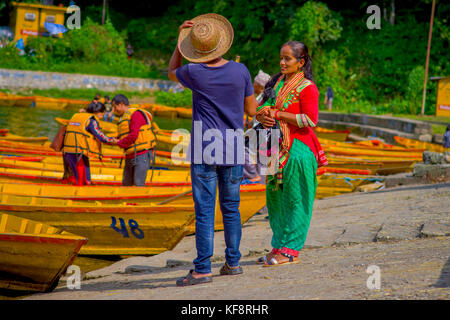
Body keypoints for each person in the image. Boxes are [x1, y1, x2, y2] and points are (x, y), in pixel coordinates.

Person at [168, 14, 258, 286]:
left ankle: (203, 269)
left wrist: (179, 43)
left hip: (205, 149)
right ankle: (233, 263)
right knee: (231, 208)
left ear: (195, 49)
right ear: (222, 43)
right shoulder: (240, 71)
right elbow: (252, 110)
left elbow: (172, 71)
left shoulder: (194, 72)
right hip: (232, 147)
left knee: (205, 211)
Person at [255, 41, 328, 266]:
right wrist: (263, 115)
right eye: (281, 58)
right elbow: (262, 106)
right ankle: (277, 245)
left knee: (296, 199)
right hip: (273, 148)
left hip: (297, 149)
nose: (282, 62)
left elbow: (309, 120)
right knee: (275, 199)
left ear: (301, 63)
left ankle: (290, 250)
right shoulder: (276, 83)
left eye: (287, 59)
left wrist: (278, 114)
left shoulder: (308, 88)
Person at [62, 102, 115, 185]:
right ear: (99, 112)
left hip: (68, 152)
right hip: (79, 154)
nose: (102, 116)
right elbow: (100, 136)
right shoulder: (91, 120)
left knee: (76, 179)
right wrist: (112, 140)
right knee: (83, 181)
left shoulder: (76, 116)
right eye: (103, 114)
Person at [110, 94, 156, 186]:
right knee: (126, 184)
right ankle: (127, 201)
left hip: (141, 155)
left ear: (121, 104)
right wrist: (116, 139)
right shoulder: (124, 117)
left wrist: (119, 143)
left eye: (115, 107)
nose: (114, 110)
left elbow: (134, 135)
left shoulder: (136, 114)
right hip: (130, 155)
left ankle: (138, 200)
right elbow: (127, 134)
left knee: (138, 184)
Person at [243, 70, 271, 183]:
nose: (252, 85)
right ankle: (260, 183)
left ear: (259, 86)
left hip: (261, 135)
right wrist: (250, 124)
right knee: (261, 161)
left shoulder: (262, 99)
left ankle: (253, 176)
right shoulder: (260, 97)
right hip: (261, 134)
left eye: (254, 83)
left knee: (241, 152)